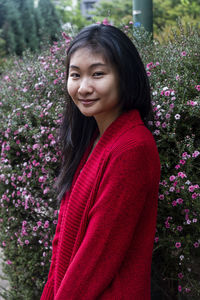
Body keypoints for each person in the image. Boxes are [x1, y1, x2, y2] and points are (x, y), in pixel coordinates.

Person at [41, 24, 160, 300]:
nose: (84, 87)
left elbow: (98, 255)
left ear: (124, 77)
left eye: (98, 74)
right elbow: (62, 245)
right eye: (75, 75)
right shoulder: (91, 140)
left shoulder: (132, 148)